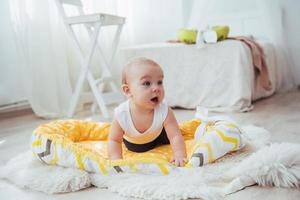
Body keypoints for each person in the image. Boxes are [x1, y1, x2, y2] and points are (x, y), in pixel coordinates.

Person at [107, 57, 187, 167]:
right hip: (135, 144)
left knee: (174, 134)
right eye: (147, 83)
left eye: (159, 82)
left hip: (159, 134)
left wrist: (179, 155)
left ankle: (162, 137)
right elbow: (114, 140)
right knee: (136, 148)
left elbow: (175, 136)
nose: (156, 88)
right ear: (128, 90)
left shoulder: (165, 111)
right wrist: (116, 161)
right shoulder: (121, 114)